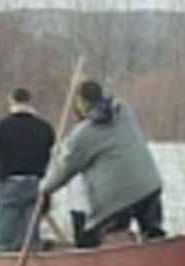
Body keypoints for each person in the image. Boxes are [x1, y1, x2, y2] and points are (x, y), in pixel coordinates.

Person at [39, 80, 166, 248]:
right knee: (153, 233)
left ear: (82, 104)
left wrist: (45, 189)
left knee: (104, 238)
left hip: (116, 199)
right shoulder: (123, 111)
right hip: (149, 186)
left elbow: (64, 170)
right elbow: (113, 101)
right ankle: (160, 255)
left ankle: (118, 264)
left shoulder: (82, 135)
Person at [0, 88, 55, 251]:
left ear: (11, 101)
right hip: (36, 185)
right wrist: (47, 193)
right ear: (30, 101)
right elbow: (49, 161)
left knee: (4, 240)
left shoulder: (1, 128)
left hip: (10, 186)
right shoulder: (45, 128)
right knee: (31, 239)